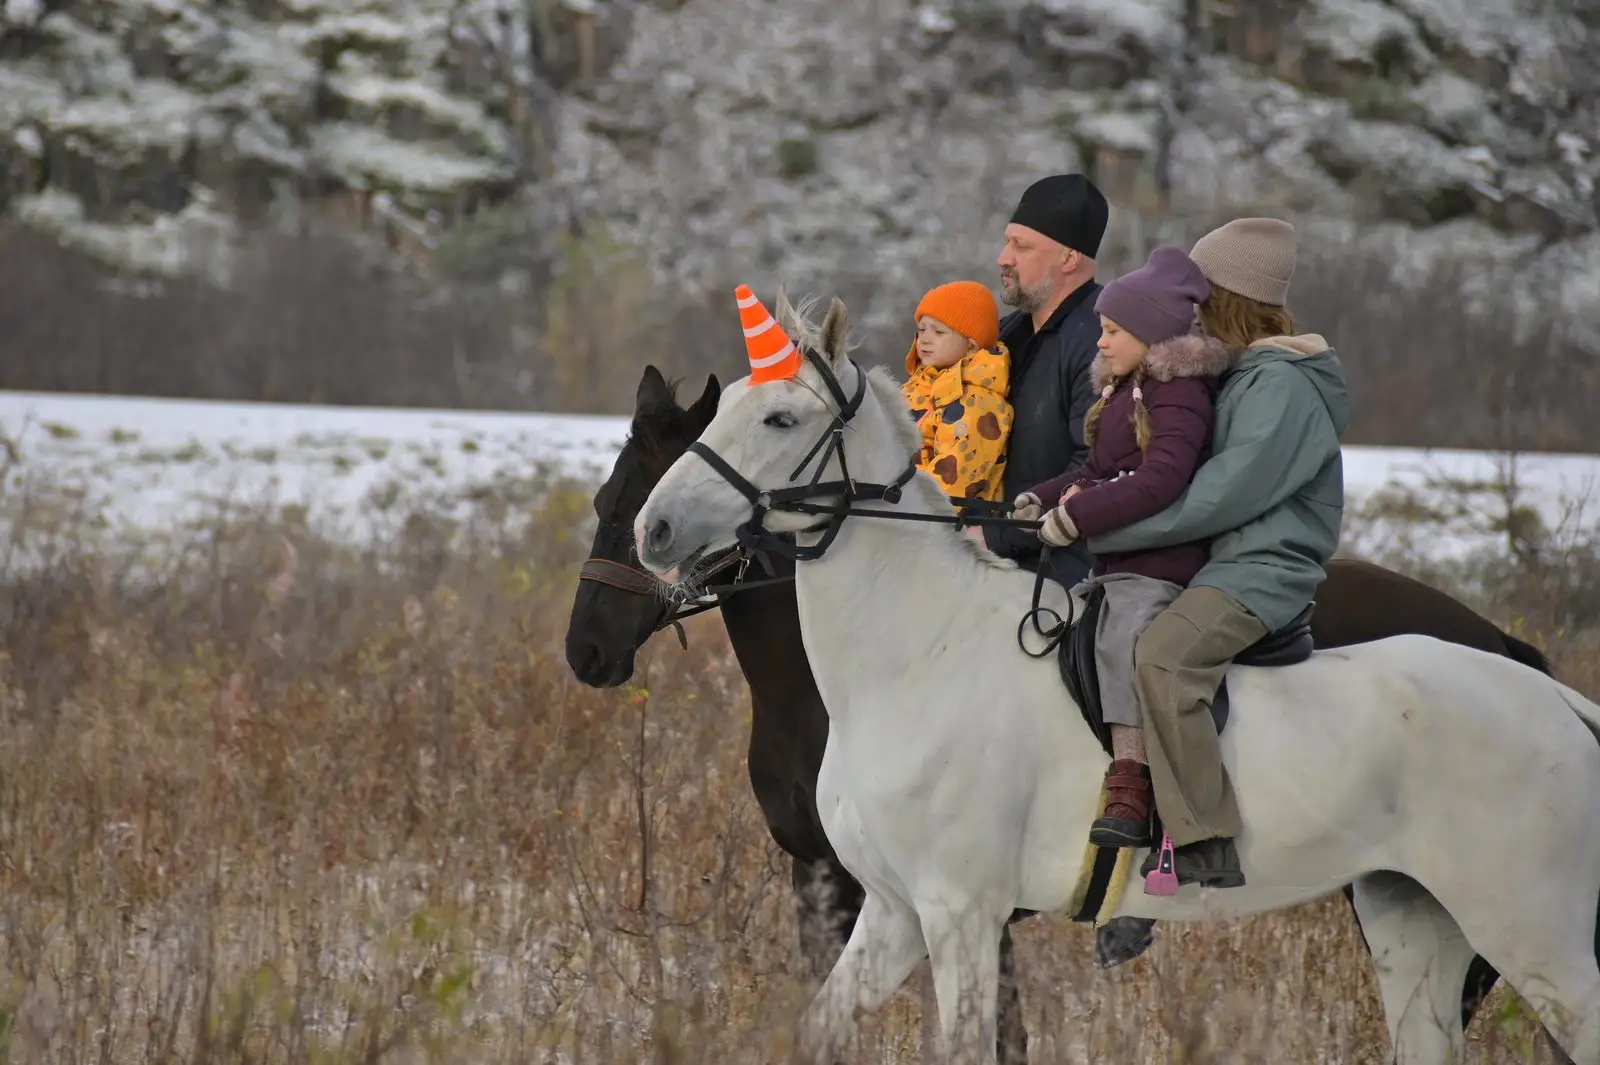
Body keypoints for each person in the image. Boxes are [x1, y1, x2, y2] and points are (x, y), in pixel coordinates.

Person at [1083, 217, 1351, 888]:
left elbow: (1220, 497)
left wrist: (1102, 530)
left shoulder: (1281, 386)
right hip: (1219, 560)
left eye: (1200, 296)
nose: (1187, 310)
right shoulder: (1235, 377)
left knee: (1165, 656)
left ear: (1228, 299)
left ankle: (1204, 838)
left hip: (1261, 567)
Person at [1010, 246, 1233, 848]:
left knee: (1120, 638)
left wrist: (1076, 517)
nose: (1101, 342)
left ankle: (1132, 778)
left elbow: (1160, 480)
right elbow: (1100, 470)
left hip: (1160, 567)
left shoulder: (1178, 396)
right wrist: (1041, 497)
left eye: (1113, 332)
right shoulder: (1125, 391)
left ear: (1152, 334)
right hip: (1116, 563)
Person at [981, 174, 1109, 589]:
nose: (1003, 257)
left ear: (1069, 259)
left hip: (1062, 575)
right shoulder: (1004, 335)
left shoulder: (1102, 339)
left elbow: (1094, 468)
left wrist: (994, 534)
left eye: (1022, 246)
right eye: (1007, 241)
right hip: (989, 559)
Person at [901, 280, 1015, 503]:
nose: (924, 338)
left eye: (939, 331)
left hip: (943, 525)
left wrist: (892, 499)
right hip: (897, 509)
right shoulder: (917, 387)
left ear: (971, 346)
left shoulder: (979, 401)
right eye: (921, 329)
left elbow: (953, 481)